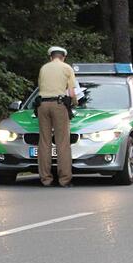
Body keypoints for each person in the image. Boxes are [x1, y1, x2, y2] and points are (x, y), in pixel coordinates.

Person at [36, 46, 77, 188]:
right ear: (63, 57)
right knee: (62, 143)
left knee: (44, 142)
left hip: (42, 105)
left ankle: (45, 179)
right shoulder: (67, 68)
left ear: (50, 57)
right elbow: (71, 93)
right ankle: (64, 180)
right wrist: (74, 103)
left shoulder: (43, 68)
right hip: (59, 105)